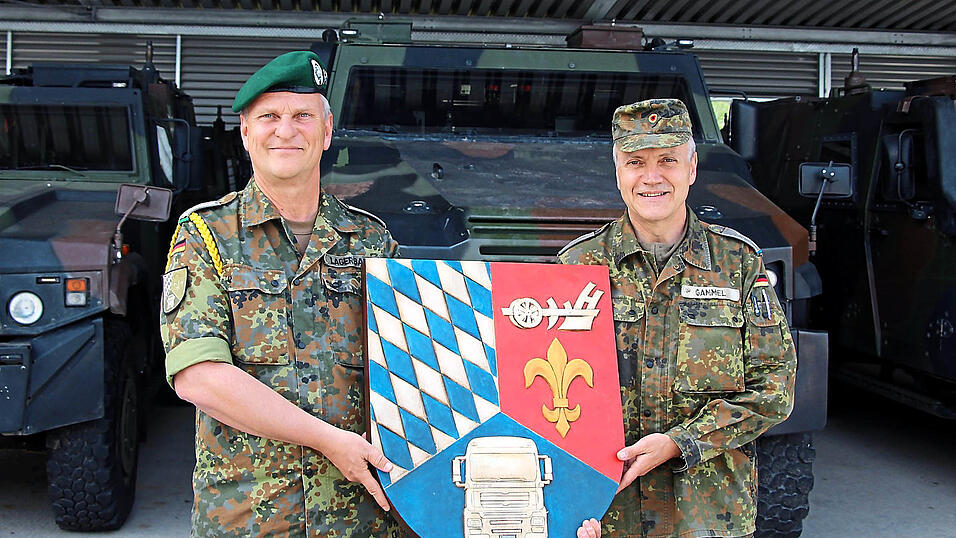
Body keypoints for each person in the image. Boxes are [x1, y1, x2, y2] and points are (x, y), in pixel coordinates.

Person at [160, 51, 402, 536]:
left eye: (302, 116)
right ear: (246, 133)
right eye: (269, 116)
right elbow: (199, 377)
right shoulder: (206, 234)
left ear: (327, 131)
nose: (286, 131)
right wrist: (327, 440)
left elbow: (413, 369)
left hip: (361, 518)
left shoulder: (373, 241)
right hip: (251, 518)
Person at [559, 99, 797, 538]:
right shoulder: (576, 266)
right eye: (636, 162)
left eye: (667, 160)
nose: (652, 177)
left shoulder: (739, 263)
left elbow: (775, 389)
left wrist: (679, 442)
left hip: (706, 513)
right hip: (606, 511)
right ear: (618, 173)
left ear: (691, 168)